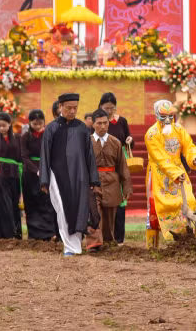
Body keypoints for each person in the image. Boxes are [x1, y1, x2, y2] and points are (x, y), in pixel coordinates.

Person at [40, 93, 100, 256]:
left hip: (80, 175)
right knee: (63, 209)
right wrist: (44, 180)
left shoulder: (81, 128)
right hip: (58, 177)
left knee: (80, 208)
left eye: (75, 108)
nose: (72, 111)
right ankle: (69, 246)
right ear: (60, 107)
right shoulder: (51, 128)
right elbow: (45, 154)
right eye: (68, 108)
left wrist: (93, 178)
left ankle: (75, 246)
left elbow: (89, 154)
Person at [144, 99, 196, 250]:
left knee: (188, 201)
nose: (168, 120)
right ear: (156, 116)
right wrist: (175, 173)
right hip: (159, 174)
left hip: (179, 171)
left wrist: (193, 158)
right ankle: (151, 246)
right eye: (164, 116)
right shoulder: (151, 134)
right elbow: (160, 158)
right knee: (155, 209)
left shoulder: (179, 129)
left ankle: (187, 240)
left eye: (171, 116)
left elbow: (189, 146)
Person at [84, 109, 131, 252]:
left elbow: (122, 165)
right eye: (99, 123)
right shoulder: (86, 142)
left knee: (110, 214)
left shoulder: (116, 143)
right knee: (93, 211)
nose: (103, 126)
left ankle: (108, 240)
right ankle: (93, 242)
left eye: (105, 123)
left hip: (112, 181)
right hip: (93, 182)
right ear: (93, 124)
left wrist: (127, 186)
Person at [99, 92, 134, 245]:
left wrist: (129, 140)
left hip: (119, 163)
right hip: (103, 165)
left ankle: (119, 237)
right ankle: (105, 236)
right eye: (106, 108)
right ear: (100, 107)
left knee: (121, 199)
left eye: (111, 108)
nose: (109, 111)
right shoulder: (99, 122)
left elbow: (128, 139)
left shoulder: (122, 121)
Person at [20, 109, 58, 240]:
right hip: (30, 175)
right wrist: (36, 170)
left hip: (46, 172)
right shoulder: (25, 137)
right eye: (34, 124)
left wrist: (44, 169)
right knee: (31, 203)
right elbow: (24, 157)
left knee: (46, 203)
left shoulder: (48, 135)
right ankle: (34, 234)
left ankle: (49, 233)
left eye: (40, 123)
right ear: (30, 123)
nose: (37, 126)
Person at [0, 112, 22, 239]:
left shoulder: (17, 138)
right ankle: (8, 232)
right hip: (0, 173)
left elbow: (20, 157)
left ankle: (17, 231)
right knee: (5, 202)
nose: (2, 128)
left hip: (14, 174)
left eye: (4, 125)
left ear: (10, 125)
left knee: (15, 202)